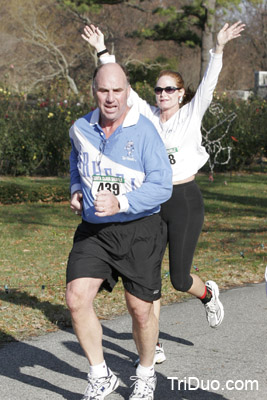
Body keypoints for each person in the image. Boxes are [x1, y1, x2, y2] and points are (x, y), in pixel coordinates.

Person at [81, 21, 245, 365]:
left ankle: (208, 293)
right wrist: (101, 49)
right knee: (147, 275)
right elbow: (121, 87)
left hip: (184, 200)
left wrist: (219, 48)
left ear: (181, 93)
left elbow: (210, 86)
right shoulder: (147, 116)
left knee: (179, 278)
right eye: (158, 89)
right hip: (150, 202)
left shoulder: (190, 115)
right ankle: (153, 344)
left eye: (170, 90)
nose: (163, 95)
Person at [66, 61, 172, 400]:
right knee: (76, 298)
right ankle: (100, 375)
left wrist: (122, 202)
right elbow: (75, 162)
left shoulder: (144, 131)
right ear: (93, 91)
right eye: (103, 90)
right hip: (95, 230)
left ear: (127, 92)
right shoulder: (80, 128)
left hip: (139, 229)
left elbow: (162, 186)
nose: (110, 98)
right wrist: (75, 189)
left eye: (117, 90)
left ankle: (144, 373)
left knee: (140, 310)